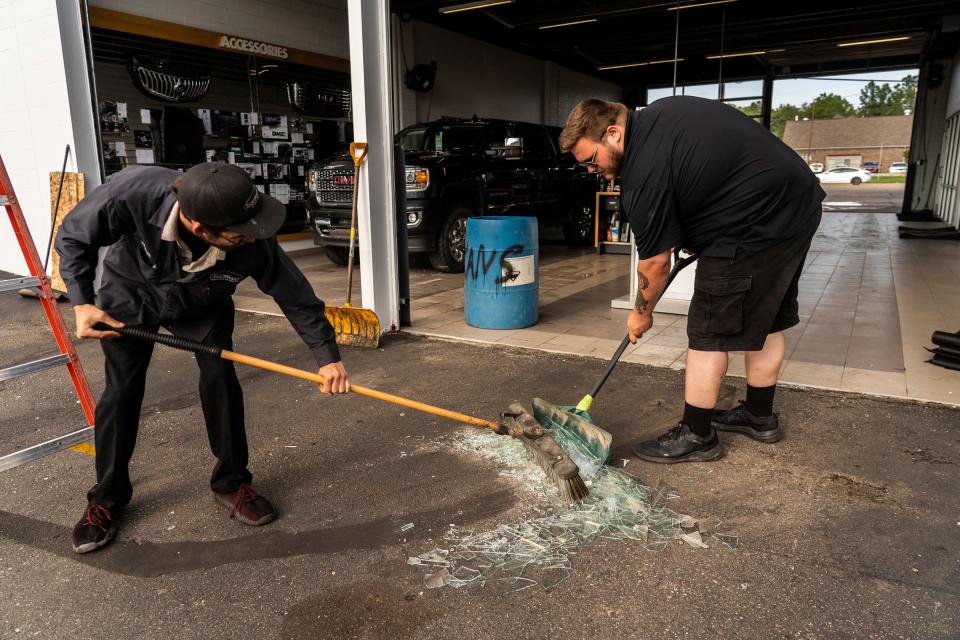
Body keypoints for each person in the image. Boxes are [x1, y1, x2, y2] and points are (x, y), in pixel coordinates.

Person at [56, 163, 352, 553]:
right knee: (122, 391)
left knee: (220, 377)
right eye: (239, 234)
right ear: (199, 228)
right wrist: (80, 302)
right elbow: (74, 236)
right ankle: (106, 499)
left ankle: (232, 481)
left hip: (202, 299)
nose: (253, 236)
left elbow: (294, 293)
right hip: (132, 292)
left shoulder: (250, 235)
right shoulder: (132, 194)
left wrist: (327, 357)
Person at [559, 96, 824, 464]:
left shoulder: (641, 175)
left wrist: (641, 312)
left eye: (591, 160)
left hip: (755, 220)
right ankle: (758, 416)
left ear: (614, 134)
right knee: (767, 315)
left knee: (708, 330)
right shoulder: (662, 114)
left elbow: (654, 263)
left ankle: (697, 434)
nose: (591, 170)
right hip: (796, 204)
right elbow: (700, 174)